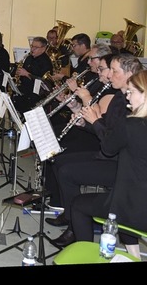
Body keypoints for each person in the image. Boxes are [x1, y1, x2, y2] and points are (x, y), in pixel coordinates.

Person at [49, 54, 143, 247]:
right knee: (60, 162)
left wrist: (94, 120)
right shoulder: (121, 98)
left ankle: (74, 224)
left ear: (129, 74)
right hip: (115, 157)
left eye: (114, 71)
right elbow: (106, 128)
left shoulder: (132, 108)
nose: (109, 76)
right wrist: (85, 119)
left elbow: (110, 140)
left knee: (68, 172)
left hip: (120, 165)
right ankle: (71, 217)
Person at [68, 69, 147, 260]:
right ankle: (133, 256)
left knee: (78, 205)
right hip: (139, 202)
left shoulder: (132, 125)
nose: (128, 98)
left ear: (144, 94)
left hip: (132, 207)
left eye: (131, 93)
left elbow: (109, 148)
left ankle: (84, 257)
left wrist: (95, 120)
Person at [12, 36, 53, 114]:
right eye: (32, 46)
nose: (32, 49)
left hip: (37, 92)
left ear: (43, 48)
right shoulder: (29, 58)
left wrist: (27, 74)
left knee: (21, 100)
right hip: (26, 87)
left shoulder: (46, 62)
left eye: (36, 47)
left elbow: (44, 82)